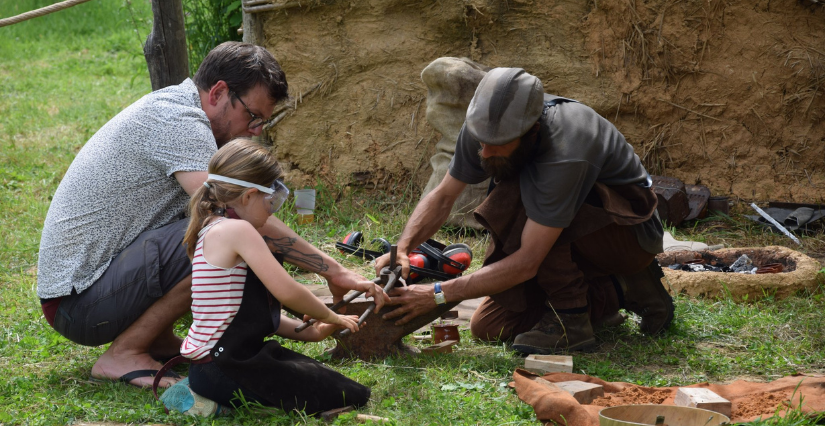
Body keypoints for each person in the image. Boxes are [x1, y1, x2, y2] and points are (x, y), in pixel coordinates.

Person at [37, 41, 388, 388]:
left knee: (218, 229)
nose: (256, 130)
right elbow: (239, 216)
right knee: (221, 231)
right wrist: (335, 271)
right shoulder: (179, 120)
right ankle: (125, 353)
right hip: (78, 304)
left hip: (94, 290)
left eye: (263, 121)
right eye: (252, 116)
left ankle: (155, 340)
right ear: (219, 92)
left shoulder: (179, 109)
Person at [375, 67, 673, 355]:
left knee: (516, 195)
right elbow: (443, 196)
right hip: (569, 231)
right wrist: (402, 248)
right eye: (482, 141)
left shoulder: (566, 148)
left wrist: (437, 294)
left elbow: (527, 261)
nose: (485, 152)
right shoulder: (486, 127)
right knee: (490, 327)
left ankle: (572, 319)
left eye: (498, 145)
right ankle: (621, 290)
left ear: (532, 131)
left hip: (626, 237)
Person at [175, 138, 370, 413]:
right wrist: (331, 316)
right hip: (226, 366)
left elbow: (246, 317)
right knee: (350, 395)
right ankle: (222, 405)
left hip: (217, 364)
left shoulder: (211, 228)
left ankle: (220, 400)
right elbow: (288, 291)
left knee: (328, 380)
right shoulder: (237, 231)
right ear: (248, 195)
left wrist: (316, 331)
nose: (272, 211)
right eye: (271, 201)